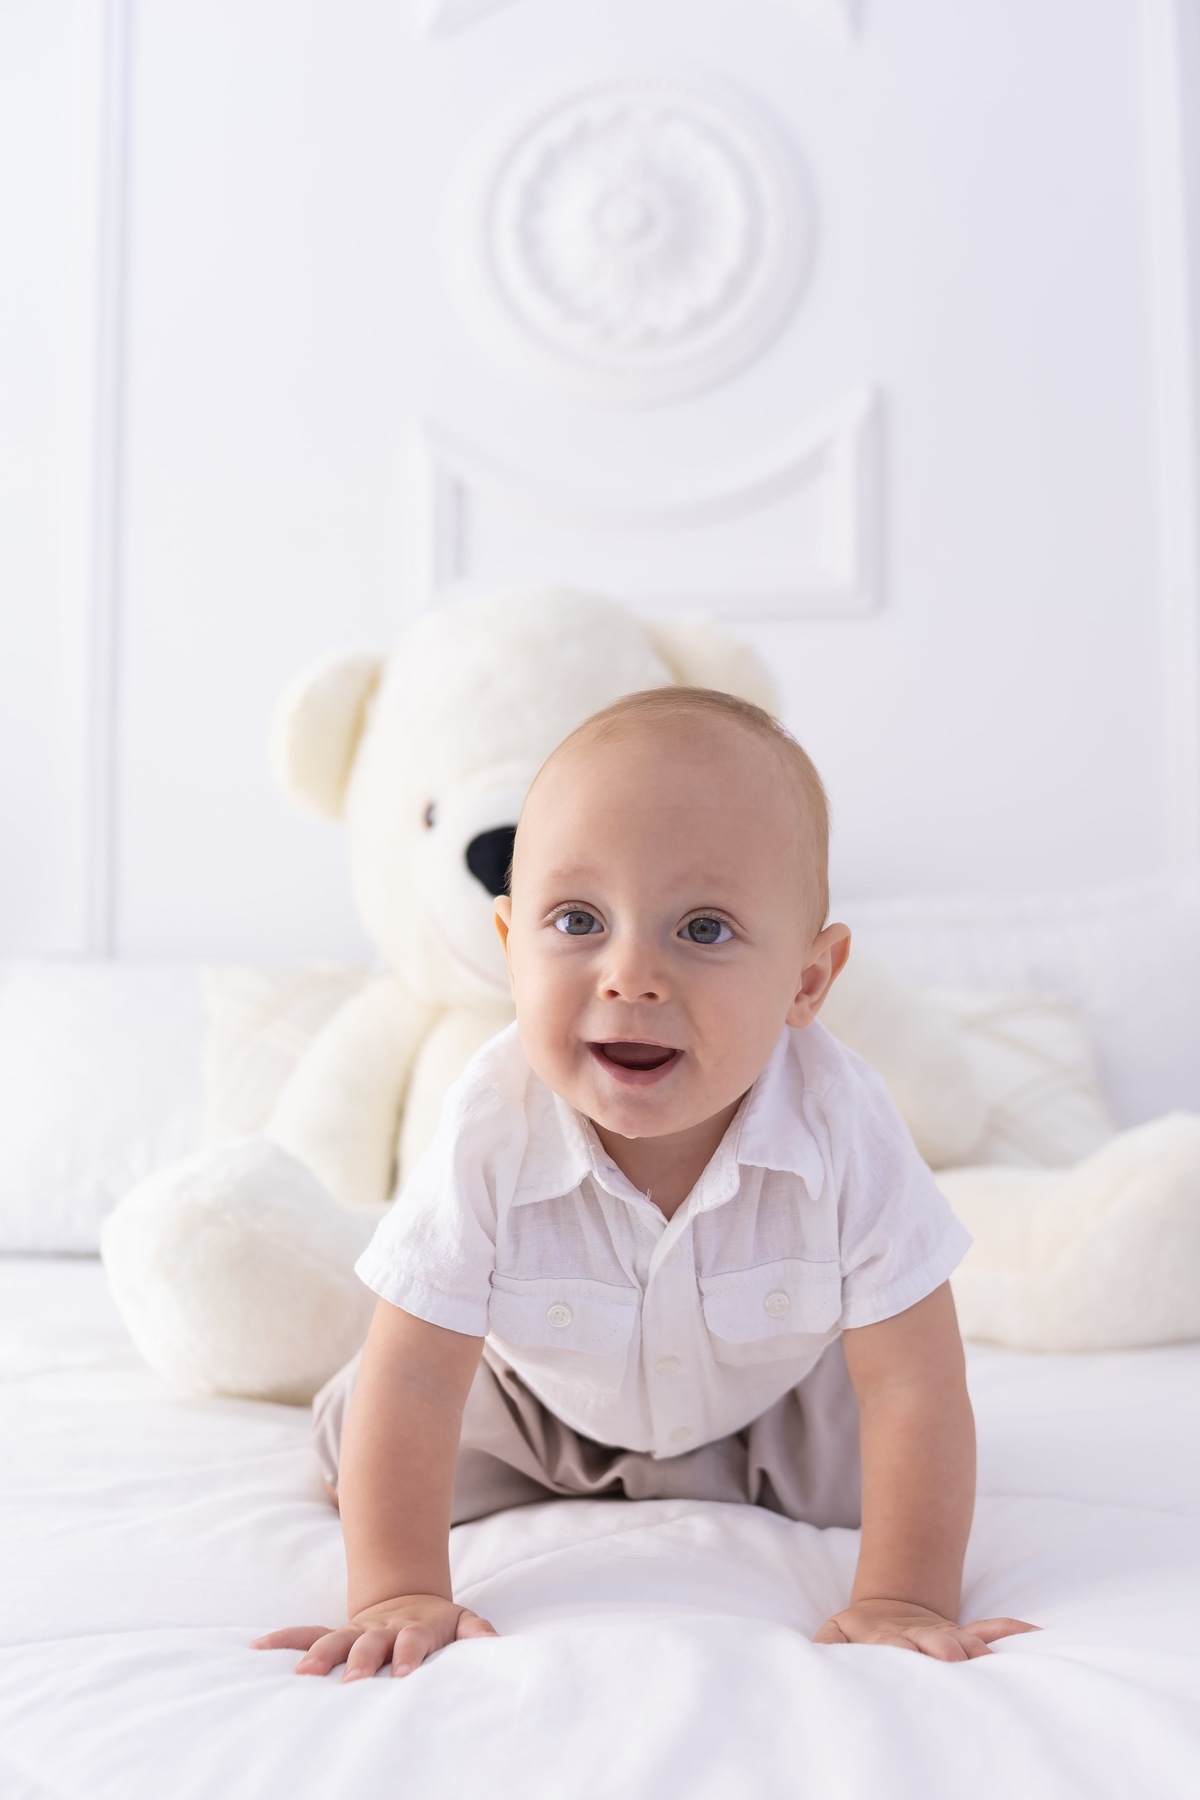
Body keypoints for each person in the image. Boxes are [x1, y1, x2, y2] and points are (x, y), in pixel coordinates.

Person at [251, 686, 1040, 1681]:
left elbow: (916, 1378)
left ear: (807, 980)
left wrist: (903, 1596)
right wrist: (397, 1589)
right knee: (366, 1421)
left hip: (773, 1411)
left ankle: (732, 1479)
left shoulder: (845, 1120)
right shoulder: (492, 1122)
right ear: (508, 946)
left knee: (900, 1444)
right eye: (578, 919)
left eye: (703, 929)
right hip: (538, 1407)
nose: (629, 975)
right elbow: (417, 1374)